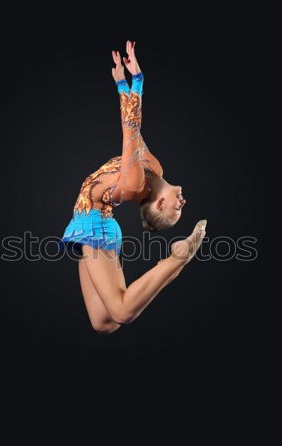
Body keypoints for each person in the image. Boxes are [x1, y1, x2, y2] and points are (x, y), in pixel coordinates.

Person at [61, 41, 207, 333]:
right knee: (104, 324)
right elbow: (135, 129)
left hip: (94, 228)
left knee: (122, 312)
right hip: (94, 227)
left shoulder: (134, 182)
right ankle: (175, 264)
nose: (183, 204)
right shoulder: (154, 168)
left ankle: (179, 257)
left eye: (176, 211)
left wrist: (132, 83)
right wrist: (127, 83)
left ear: (159, 204)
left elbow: (129, 130)